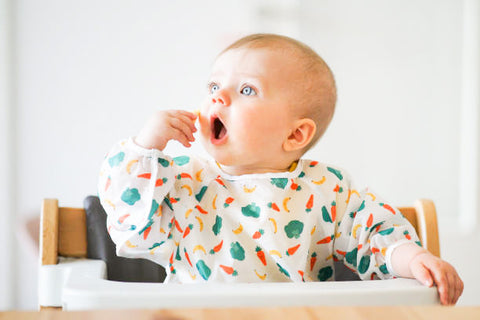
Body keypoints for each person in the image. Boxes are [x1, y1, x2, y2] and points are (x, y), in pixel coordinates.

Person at [98, 33, 463, 305]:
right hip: (197, 313)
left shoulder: (327, 189)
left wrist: (415, 258)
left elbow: (373, 236)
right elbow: (130, 225)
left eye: (246, 90)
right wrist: (145, 149)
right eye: (214, 85)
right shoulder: (183, 181)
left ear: (295, 134)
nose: (218, 97)